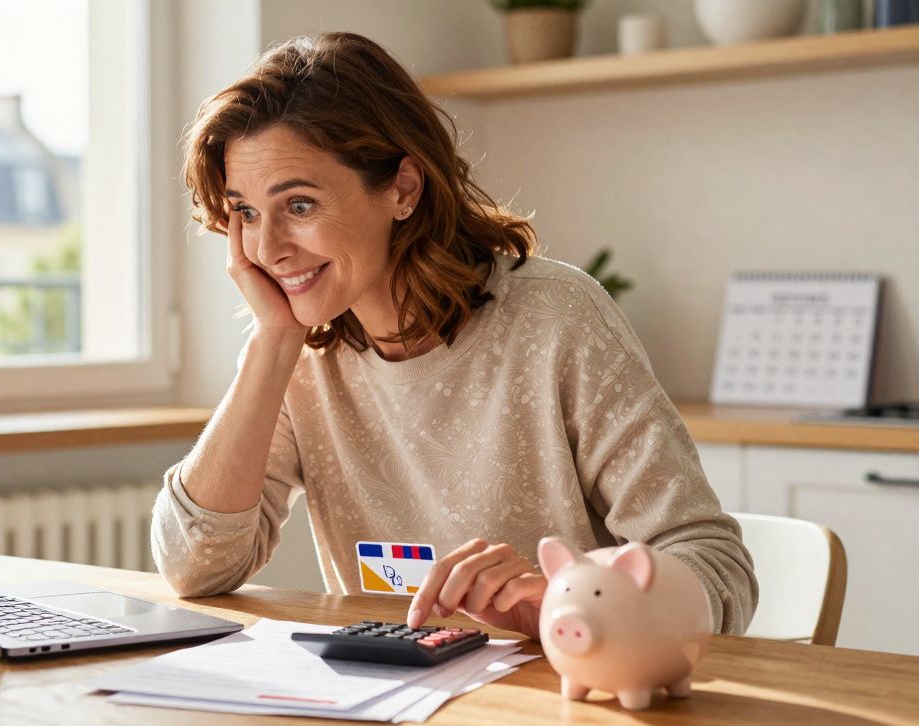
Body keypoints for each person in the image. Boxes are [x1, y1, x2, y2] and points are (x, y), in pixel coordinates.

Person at [152, 31, 756, 637]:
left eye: (300, 206)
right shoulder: (298, 351)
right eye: (247, 213)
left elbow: (713, 567)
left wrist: (569, 599)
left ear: (403, 189)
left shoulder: (557, 320)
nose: (268, 249)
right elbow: (193, 569)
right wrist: (273, 342)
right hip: (389, 706)